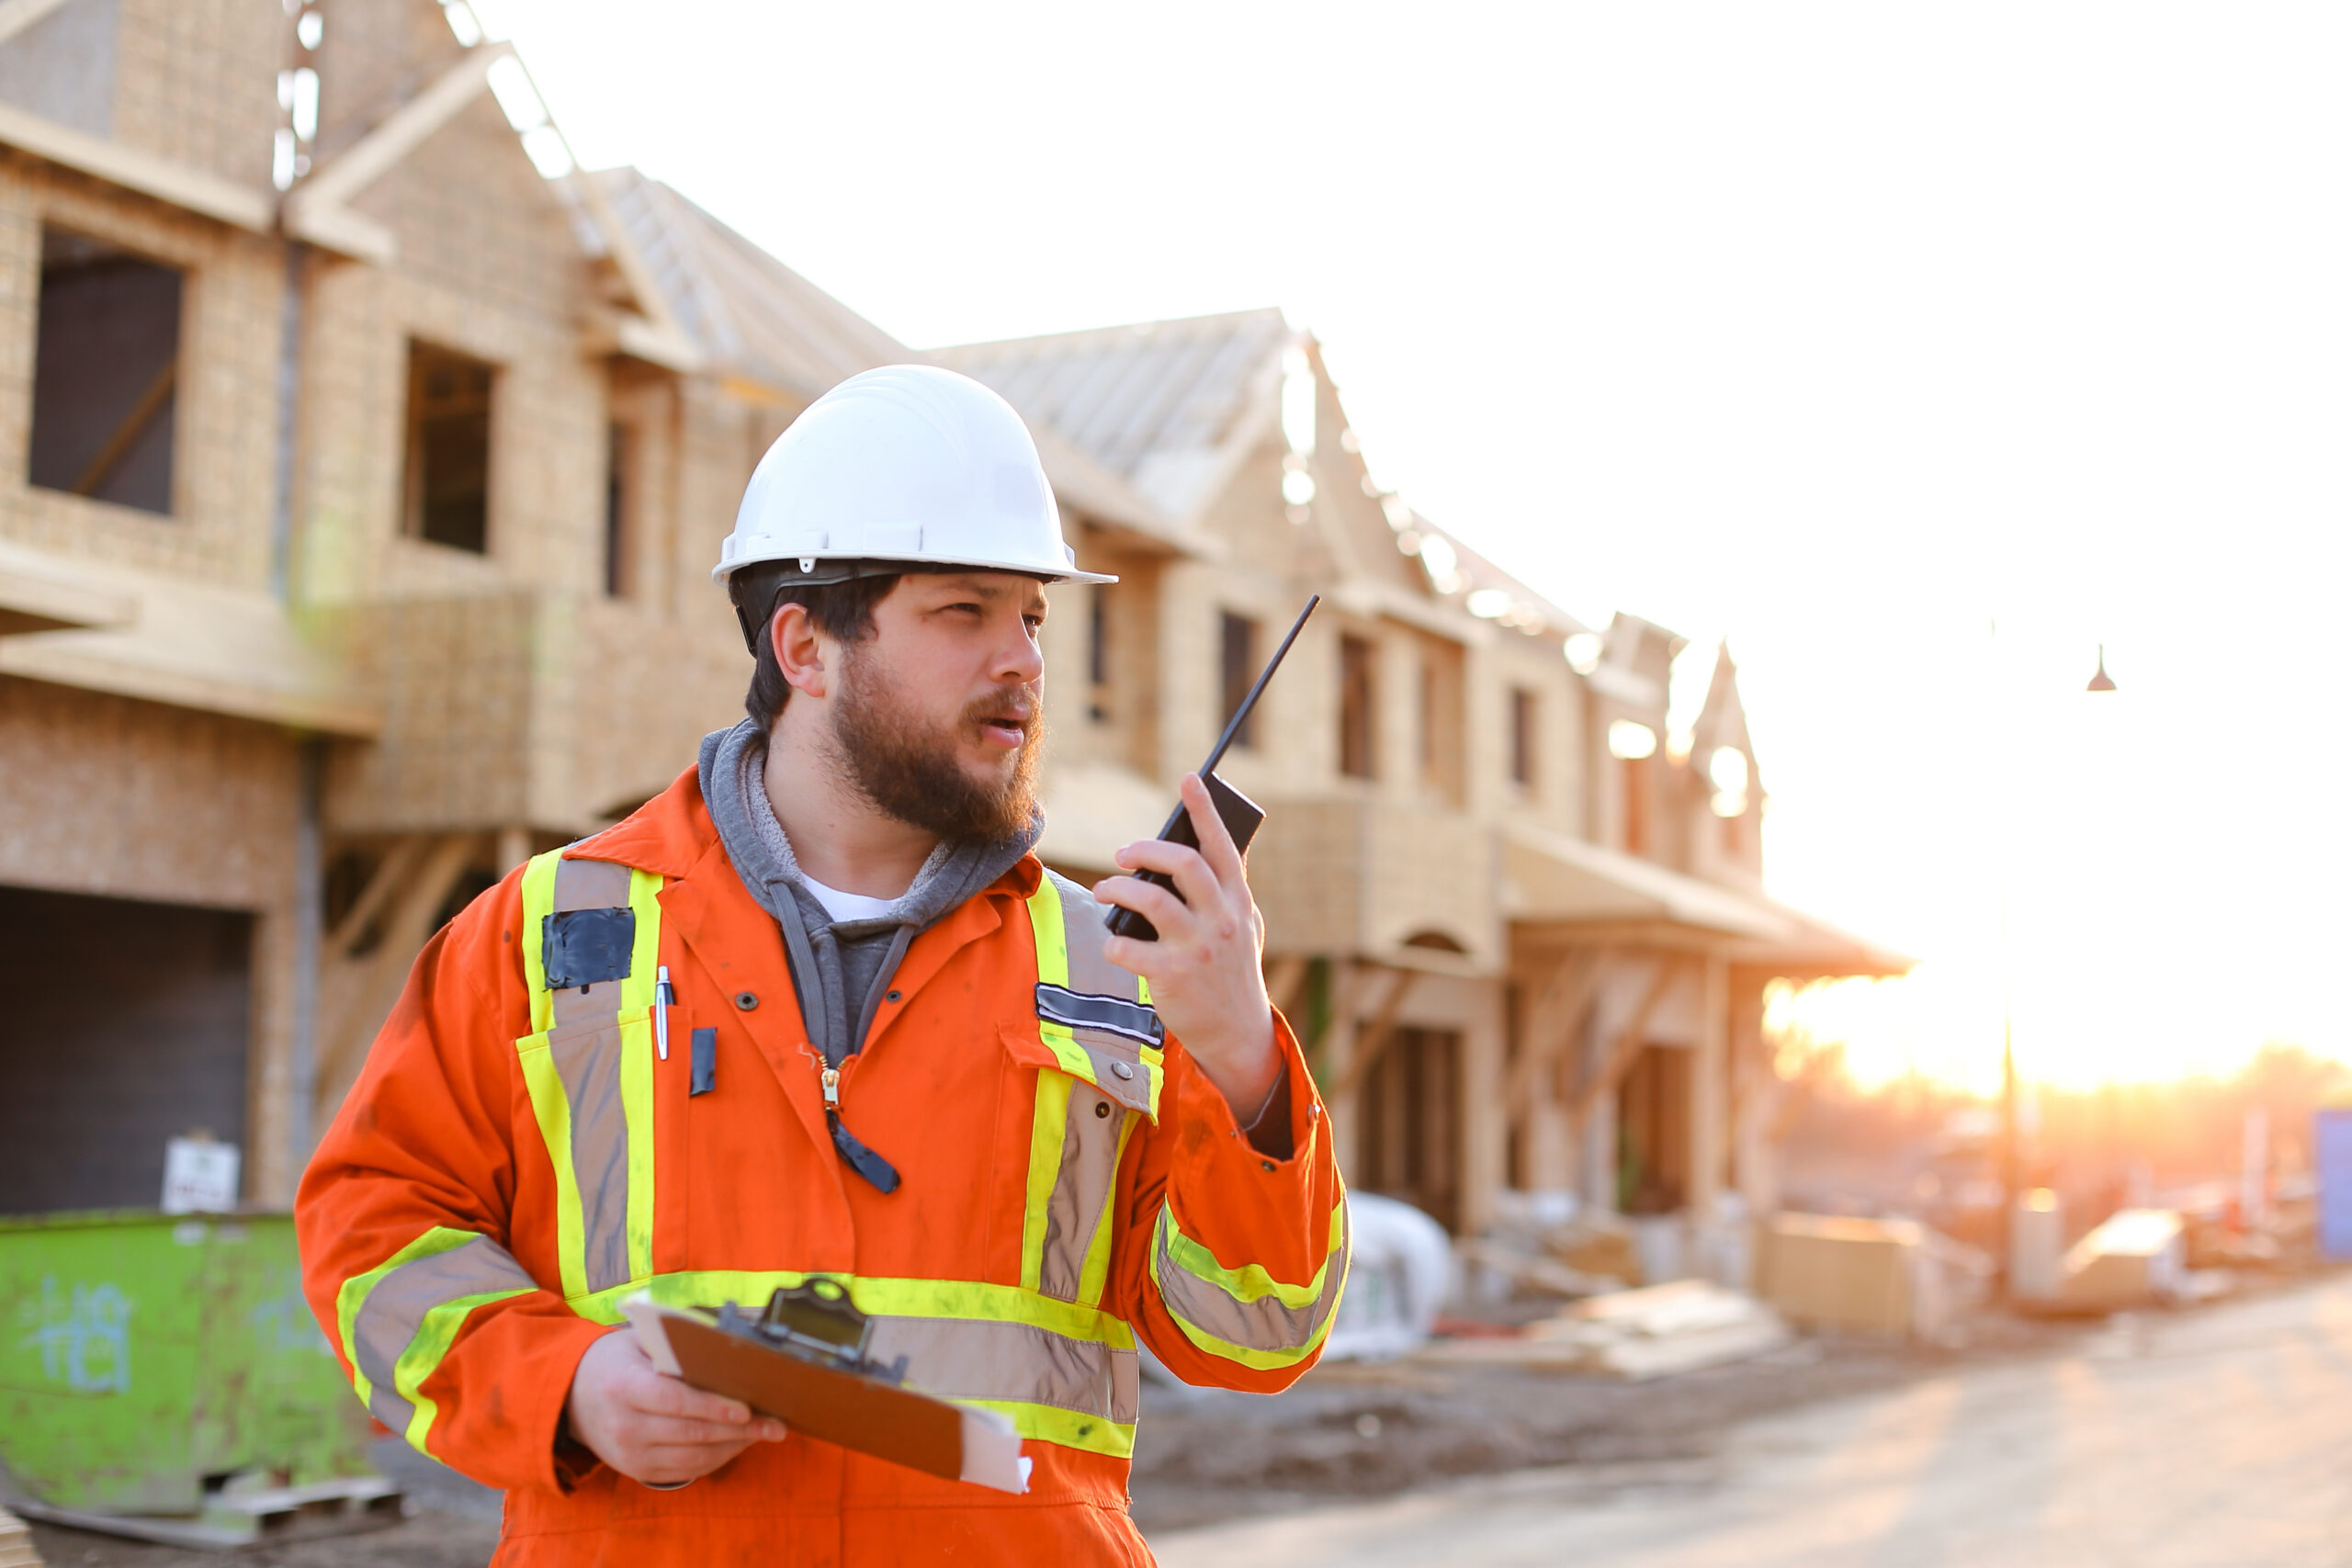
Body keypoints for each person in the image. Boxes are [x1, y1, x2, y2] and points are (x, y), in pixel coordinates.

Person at [298, 365, 1348, 1565]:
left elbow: (1257, 1338)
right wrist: (569, 1386)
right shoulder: (552, 933)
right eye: (965, 612)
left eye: (1034, 617)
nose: (1023, 659)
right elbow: (372, 1233)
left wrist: (1246, 1064)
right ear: (806, 646)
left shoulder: (1119, 966)